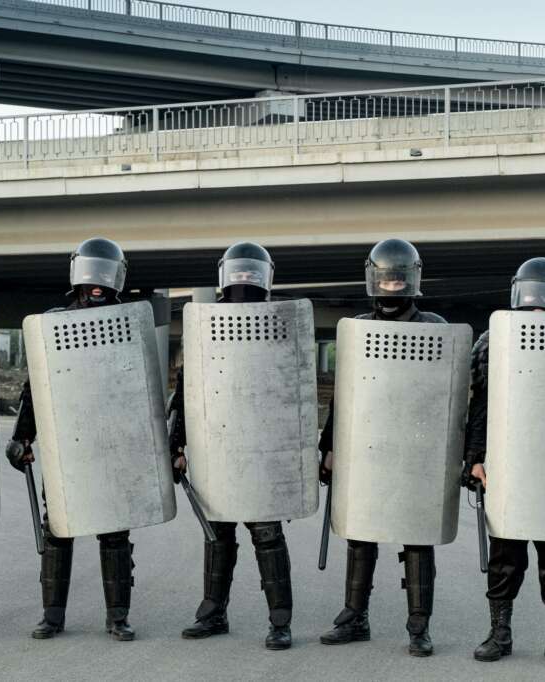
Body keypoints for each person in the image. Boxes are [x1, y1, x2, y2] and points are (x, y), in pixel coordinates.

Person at [317, 239, 446, 657]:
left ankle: (419, 626)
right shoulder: (356, 328)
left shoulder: (433, 327)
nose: (391, 286)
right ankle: (356, 616)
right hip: (367, 446)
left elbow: (447, 395)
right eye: (385, 278)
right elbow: (344, 395)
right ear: (374, 279)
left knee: (416, 537)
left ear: (412, 280)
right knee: (361, 532)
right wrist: (328, 446)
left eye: (398, 279)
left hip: (416, 448)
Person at [6, 237, 137, 641]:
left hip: (114, 442)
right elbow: (37, 388)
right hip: (68, 442)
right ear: (78, 276)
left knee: (114, 533)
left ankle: (117, 617)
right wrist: (22, 436)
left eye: (104, 274)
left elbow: (142, 388)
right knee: (58, 528)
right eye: (91, 274)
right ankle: (52, 615)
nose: (97, 283)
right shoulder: (55, 320)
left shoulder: (130, 321)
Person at [169, 242, 296, 651]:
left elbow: (293, 392)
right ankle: (213, 612)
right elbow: (187, 393)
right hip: (218, 444)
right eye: (238, 275)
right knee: (218, 533)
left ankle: (280, 621)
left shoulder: (281, 324)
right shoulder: (207, 325)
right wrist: (177, 444)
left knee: (267, 534)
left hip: (262, 448)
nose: (244, 282)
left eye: (249, 275)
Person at [463, 256, 545, 669]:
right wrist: (475, 459)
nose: (537, 307)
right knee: (505, 558)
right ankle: (499, 634)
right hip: (507, 464)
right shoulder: (493, 340)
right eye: (531, 298)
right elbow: (481, 407)